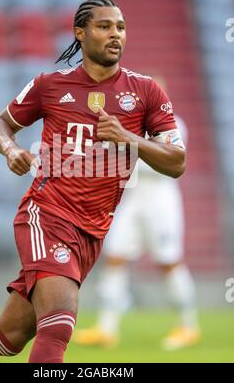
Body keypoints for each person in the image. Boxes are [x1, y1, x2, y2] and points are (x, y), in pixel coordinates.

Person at [0, 0, 186, 363]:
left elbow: (177, 162)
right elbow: (0, 125)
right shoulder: (49, 85)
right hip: (46, 215)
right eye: (104, 26)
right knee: (58, 324)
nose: (115, 34)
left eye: (120, 27)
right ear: (80, 33)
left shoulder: (146, 91)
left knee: (8, 336)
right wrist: (10, 150)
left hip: (91, 232)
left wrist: (129, 137)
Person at [73, 113, 201, 351]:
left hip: (160, 200)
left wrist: (125, 151)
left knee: (168, 261)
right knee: (114, 257)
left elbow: (169, 163)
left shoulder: (173, 125)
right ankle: (106, 329)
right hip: (131, 199)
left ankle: (187, 325)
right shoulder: (126, 123)